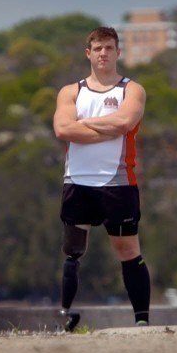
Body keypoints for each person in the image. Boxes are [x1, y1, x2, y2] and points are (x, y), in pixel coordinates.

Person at [53, 26, 151, 331]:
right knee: (72, 250)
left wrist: (85, 126)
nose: (103, 54)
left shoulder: (131, 90)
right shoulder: (72, 91)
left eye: (109, 48)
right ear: (88, 53)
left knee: (127, 251)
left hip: (117, 182)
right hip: (77, 181)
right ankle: (64, 316)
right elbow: (63, 130)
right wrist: (104, 128)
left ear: (118, 52)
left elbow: (125, 121)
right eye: (98, 49)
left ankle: (142, 320)